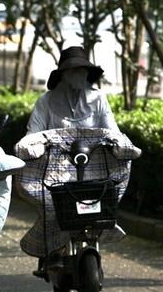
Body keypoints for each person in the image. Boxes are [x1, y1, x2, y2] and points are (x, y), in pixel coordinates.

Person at [22, 46, 125, 277]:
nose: (78, 75)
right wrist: (34, 146)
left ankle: (90, 244)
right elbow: (33, 132)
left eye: (82, 70)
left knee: (103, 201)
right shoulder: (46, 101)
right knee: (51, 205)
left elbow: (112, 130)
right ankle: (53, 250)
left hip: (93, 169)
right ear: (63, 74)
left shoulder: (99, 100)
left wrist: (118, 145)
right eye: (73, 70)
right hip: (55, 172)